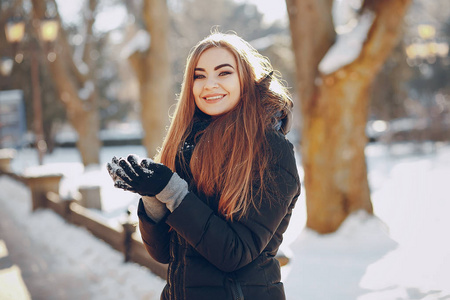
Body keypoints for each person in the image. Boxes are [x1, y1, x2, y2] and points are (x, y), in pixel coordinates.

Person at [107, 31, 301, 300]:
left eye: (224, 73)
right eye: (200, 75)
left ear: (245, 78)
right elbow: (163, 253)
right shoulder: (187, 144)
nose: (210, 84)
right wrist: (152, 194)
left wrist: (171, 189)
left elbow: (234, 253)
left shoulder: (270, 150)